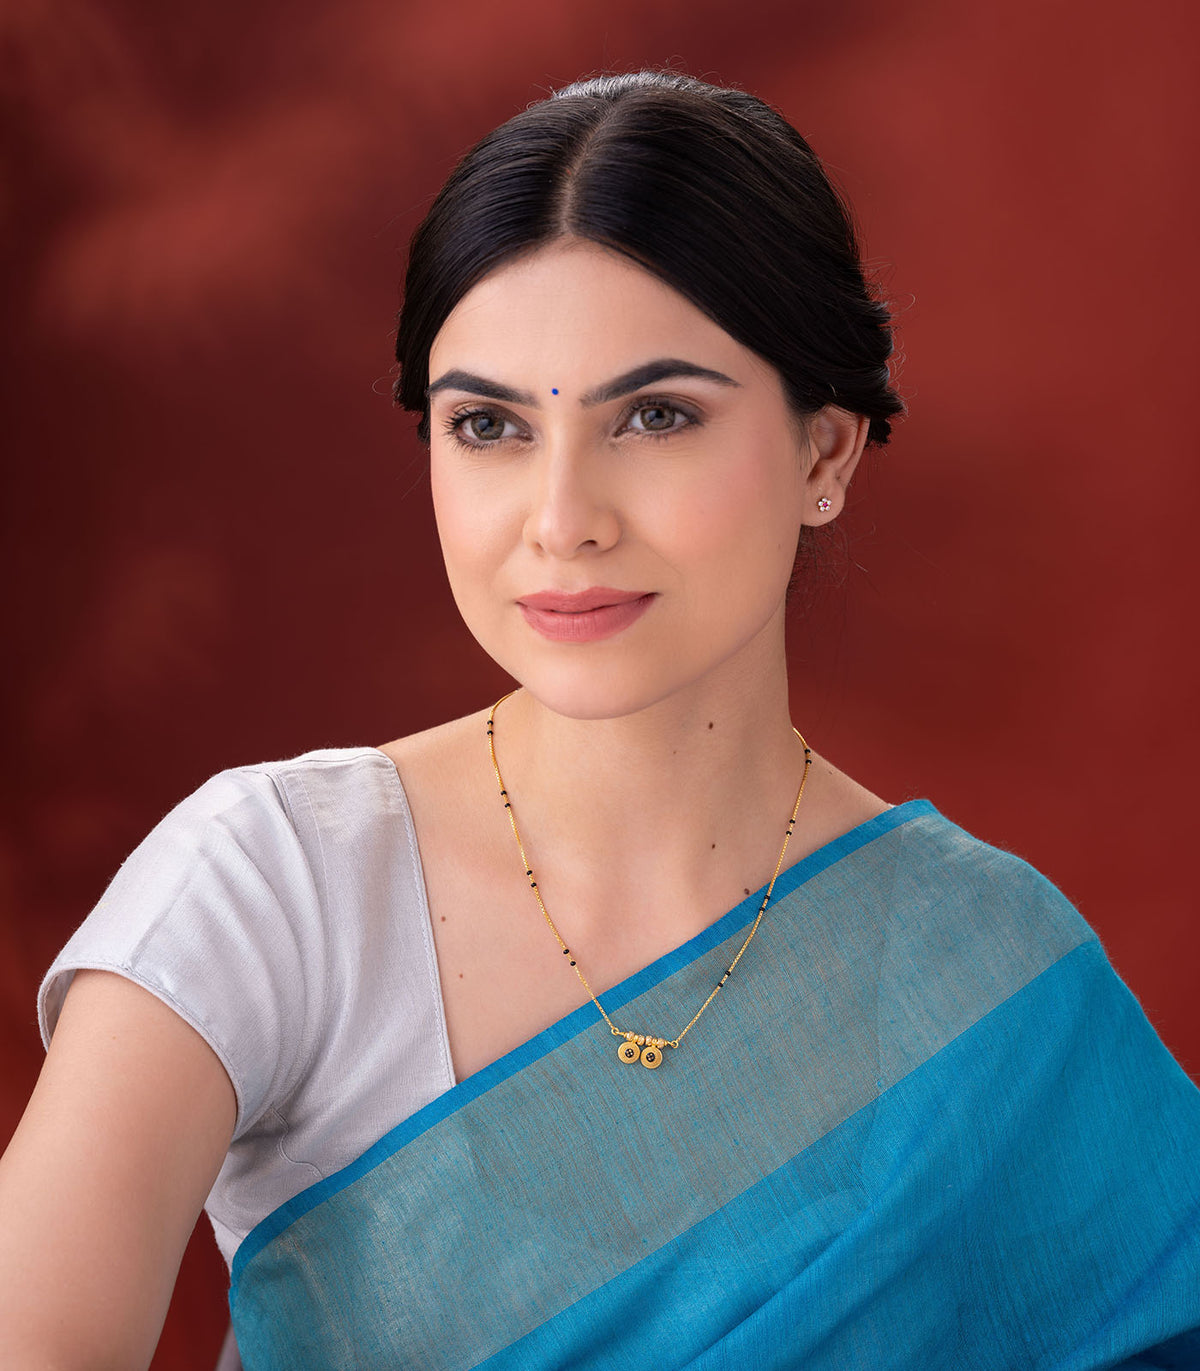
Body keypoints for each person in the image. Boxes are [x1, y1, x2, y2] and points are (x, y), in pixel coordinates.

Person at [2, 68, 1198, 1371]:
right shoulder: (277, 884)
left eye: (657, 416)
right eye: (488, 426)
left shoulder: (988, 974)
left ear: (825, 453)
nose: (563, 519)